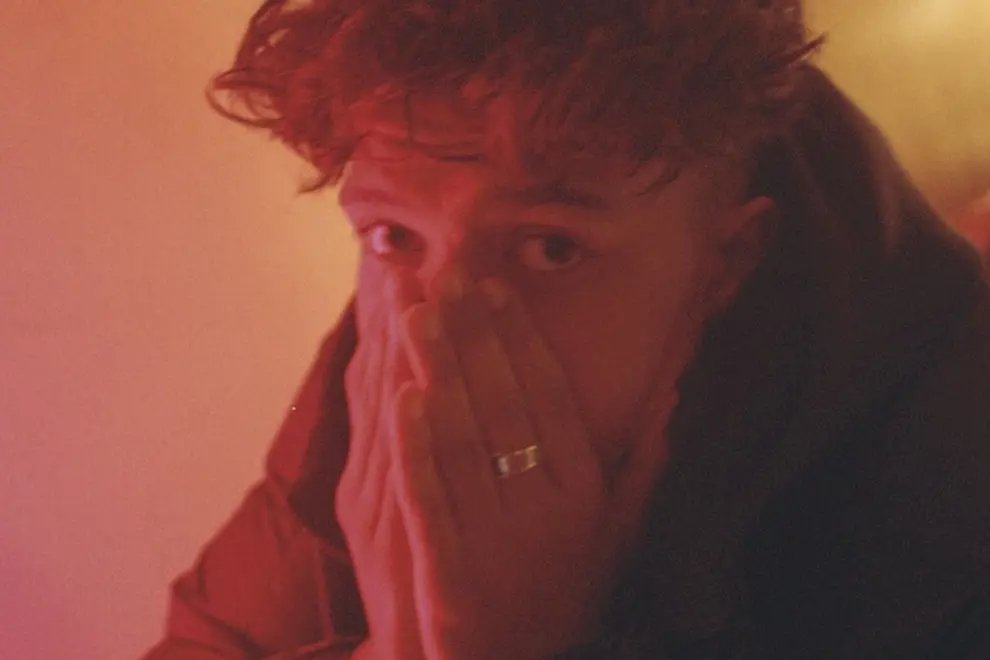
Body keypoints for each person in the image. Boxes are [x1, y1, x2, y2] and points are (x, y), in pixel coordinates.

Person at [141, 1, 990, 658]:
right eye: (394, 234)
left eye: (551, 248)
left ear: (726, 262)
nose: (439, 333)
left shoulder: (944, 498)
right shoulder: (367, 382)